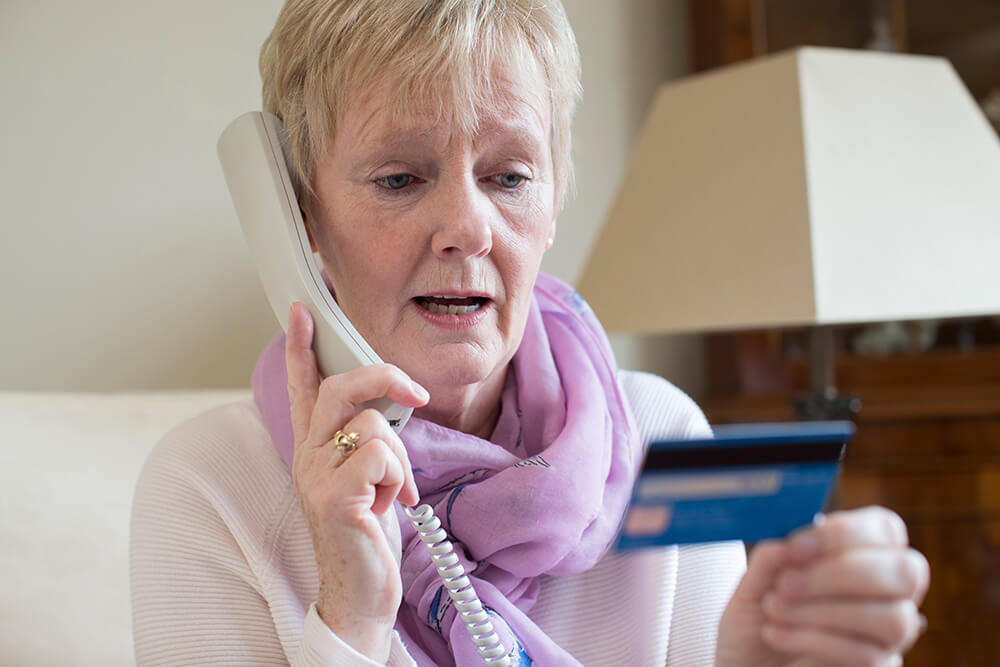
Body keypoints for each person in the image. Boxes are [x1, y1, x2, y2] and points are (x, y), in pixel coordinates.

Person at [130, 1, 929, 665]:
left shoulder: (663, 437)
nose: (468, 229)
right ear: (299, 223)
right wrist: (351, 621)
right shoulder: (209, 486)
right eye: (400, 178)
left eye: (509, 176)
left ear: (551, 207)